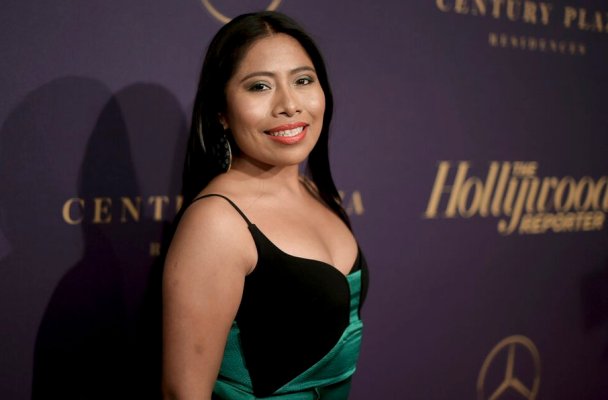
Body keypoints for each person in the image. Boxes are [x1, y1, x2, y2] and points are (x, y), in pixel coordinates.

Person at [162, 11, 368, 400]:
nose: (289, 104)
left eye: (303, 80)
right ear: (222, 112)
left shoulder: (315, 192)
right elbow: (182, 392)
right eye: (259, 86)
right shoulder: (217, 222)